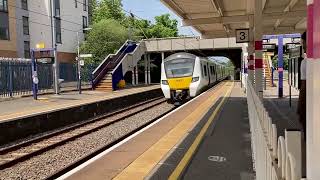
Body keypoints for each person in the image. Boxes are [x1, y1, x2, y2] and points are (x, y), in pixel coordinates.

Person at [297, 32, 307, 136]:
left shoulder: (306, 62)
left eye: (303, 42)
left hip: (309, 103)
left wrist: (300, 106)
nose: (302, 45)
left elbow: (304, 86)